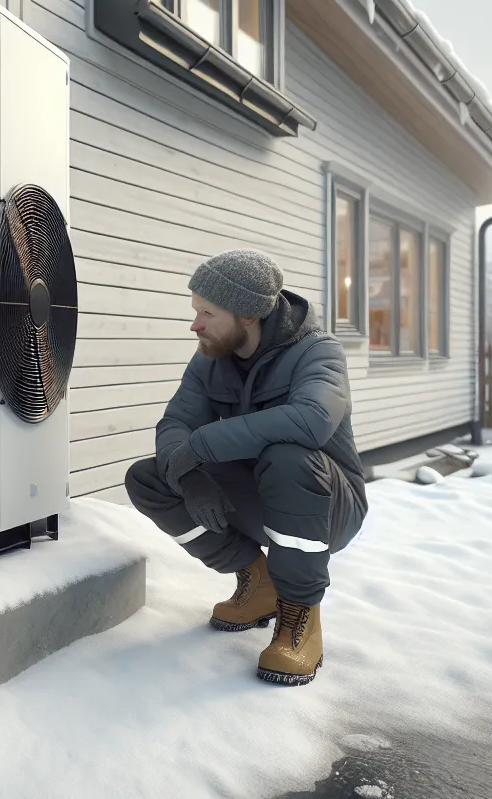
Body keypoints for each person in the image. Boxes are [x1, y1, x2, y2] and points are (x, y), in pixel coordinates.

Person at [125, 248, 367, 685]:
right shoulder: (210, 358)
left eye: (207, 313)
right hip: (261, 491)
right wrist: (189, 473)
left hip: (328, 503)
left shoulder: (320, 352)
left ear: (248, 316)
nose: (195, 324)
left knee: (288, 456)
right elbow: (177, 422)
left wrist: (201, 447)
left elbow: (311, 421)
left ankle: (299, 616)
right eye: (195, 310)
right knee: (151, 478)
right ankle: (259, 583)